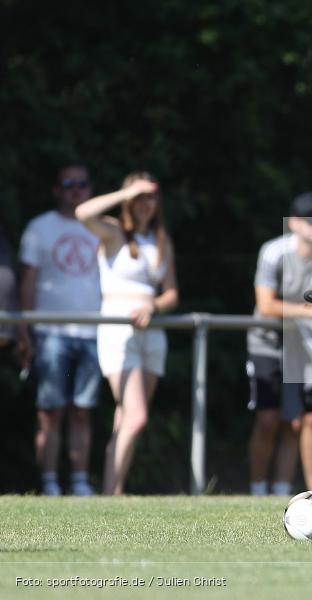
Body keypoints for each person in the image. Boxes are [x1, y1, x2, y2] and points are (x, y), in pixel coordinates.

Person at [75, 172, 179, 495]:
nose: (145, 204)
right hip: (119, 333)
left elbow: (172, 293)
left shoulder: (161, 240)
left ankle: (112, 490)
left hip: (153, 333)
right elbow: (83, 213)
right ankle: (112, 493)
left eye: (150, 197)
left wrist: (154, 308)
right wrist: (126, 192)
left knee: (126, 418)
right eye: (139, 197)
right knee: (137, 417)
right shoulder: (114, 232)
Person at [247, 192, 312, 495]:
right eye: (310, 220)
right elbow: (266, 305)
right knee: (268, 419)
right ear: (293, 224)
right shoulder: (273, 253)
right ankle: (257, 490)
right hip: (269, 341)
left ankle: (289, 490)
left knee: (302, 421)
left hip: (310, 346)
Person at [18, 163, 103, 496]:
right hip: (50, 332)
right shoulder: (40, 227)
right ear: (57, 189)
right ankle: (50, 483)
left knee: (82, 411)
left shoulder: (100, 228)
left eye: (82, 183)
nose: (76, 189)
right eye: (69, 183)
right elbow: (27, 284)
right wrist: (24, 330)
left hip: (95, 331)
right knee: (50, 411)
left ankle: (80, 482)